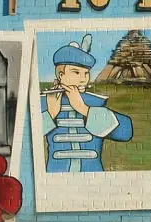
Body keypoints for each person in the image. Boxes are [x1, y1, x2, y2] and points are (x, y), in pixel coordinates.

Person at [41, 34, 133, 173]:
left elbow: (126, 132)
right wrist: (51, 113)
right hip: (55, 173)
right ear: (61, 75)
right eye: (76, 72)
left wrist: (84, 109)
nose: (83, 79)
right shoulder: (45, 102)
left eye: (86, 73)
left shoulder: (94, 102)